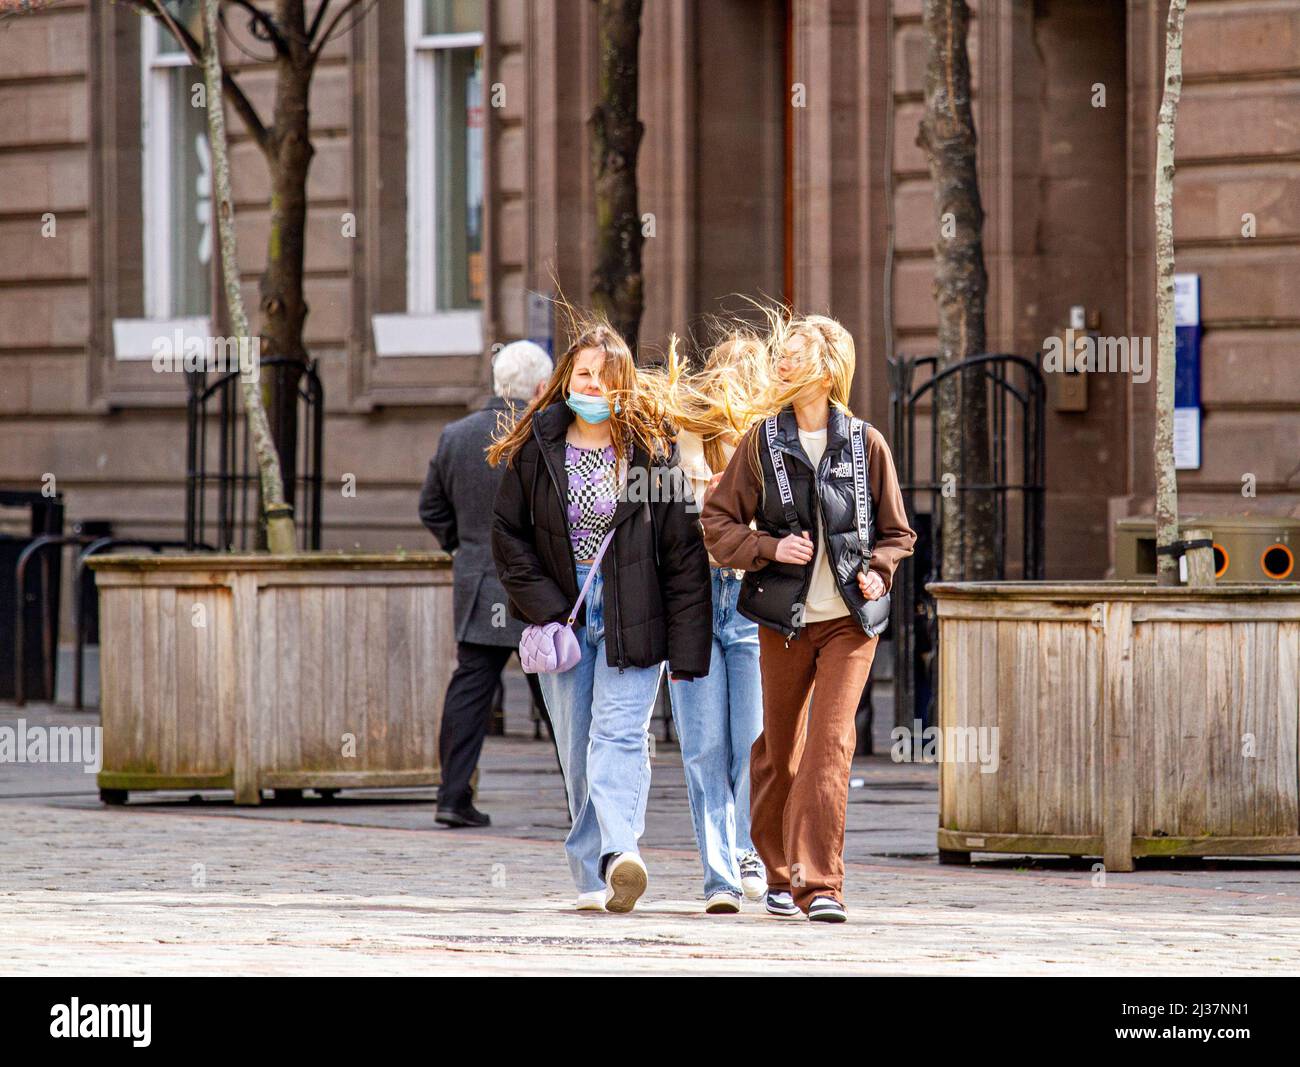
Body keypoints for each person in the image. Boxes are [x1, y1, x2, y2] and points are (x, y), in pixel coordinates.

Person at [490, 316, 712, 913]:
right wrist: (548, 608)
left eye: (604, 378)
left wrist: (689, 646)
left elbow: (683, 554)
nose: (591, 387)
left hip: (633, 614)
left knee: (618, 735)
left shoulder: (650, 453)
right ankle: (590, 873)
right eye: (582, 374)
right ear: (566, 379)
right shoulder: (536, 448)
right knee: (577, 744)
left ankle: (619, 853)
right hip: (563, 619)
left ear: (623, 386)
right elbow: (509, 539)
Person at [702, 312, 916, 923]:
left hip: (850, 620)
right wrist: (768, 548)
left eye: (794, 353)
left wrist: (880, 567)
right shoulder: (762, 442)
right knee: (779, 751)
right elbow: (718, 525)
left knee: (829, 746)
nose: (782, 362)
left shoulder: (865, 443)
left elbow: (898, 532)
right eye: (781, 354)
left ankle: (819, 884)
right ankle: (776, 873)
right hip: (783, 620)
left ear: (827, 367)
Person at [419, 339, 554, 829]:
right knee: (555, 690)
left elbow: (430, 508)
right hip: (538, 585)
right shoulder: (546, 435)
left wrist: (466, 547)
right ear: (542, 387)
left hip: (479, 581)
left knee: (471, 687)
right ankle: (584, 801)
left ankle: (452, 796)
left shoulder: (456, 435)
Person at [659, 332, 771, 912]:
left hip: (749, 604)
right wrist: (694, 440)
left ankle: (746, 854)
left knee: (747, 742)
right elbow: (692, 515)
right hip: (697, 601)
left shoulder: (771, 446)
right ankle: (721, 876)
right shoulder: (690, 438)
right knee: (707, 745)